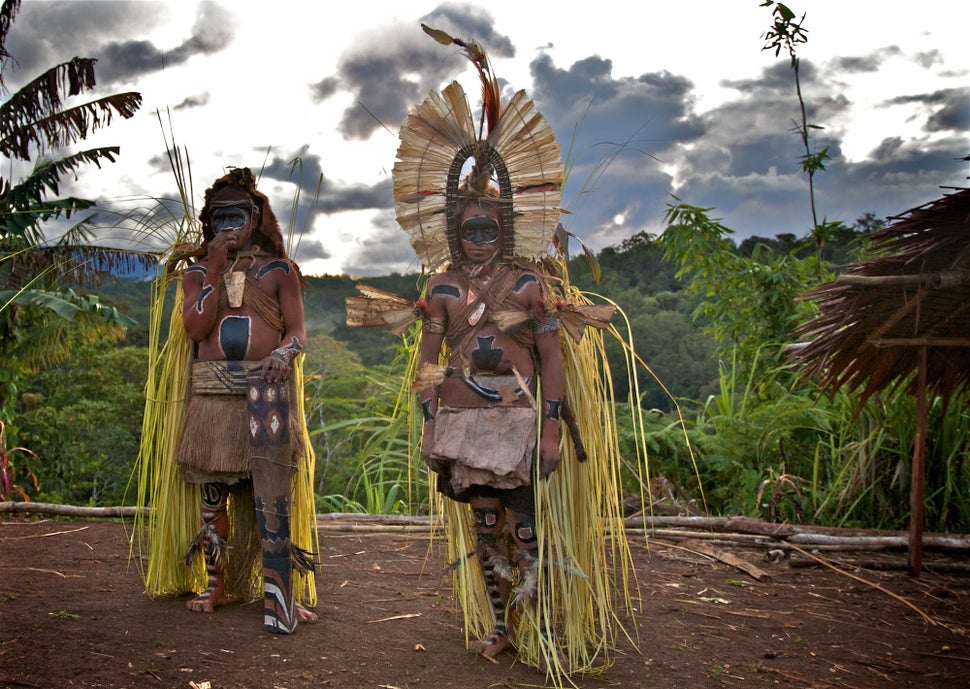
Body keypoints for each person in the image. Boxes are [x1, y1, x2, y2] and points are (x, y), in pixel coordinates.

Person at [416, 192, 566, 657]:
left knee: (524, 528)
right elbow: (428, 363)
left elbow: (551, 359)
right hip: (462, 425)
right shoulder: (441, 288)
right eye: (470, 231)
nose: (479, 240)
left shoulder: (528, 284)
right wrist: (430, 425)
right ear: (454, 234)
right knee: (486, 526)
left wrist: (551, 429)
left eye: (488, 230)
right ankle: (501, 627)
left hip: (514, 423)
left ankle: (540, 627)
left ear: (505, 231)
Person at [175, 167, 317, 633]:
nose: (229, 225)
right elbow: (196, 330)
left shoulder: (280, 272)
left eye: (237, 215)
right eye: (219, 218)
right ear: (209, 224)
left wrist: (283, 352)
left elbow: (297, 334)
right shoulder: (197, 274)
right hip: (213, 402)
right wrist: (214, 268)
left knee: (269, 496)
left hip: (264, 399)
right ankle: (216, 585)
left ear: (255, 218)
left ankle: (280, 594)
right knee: (213, 497)